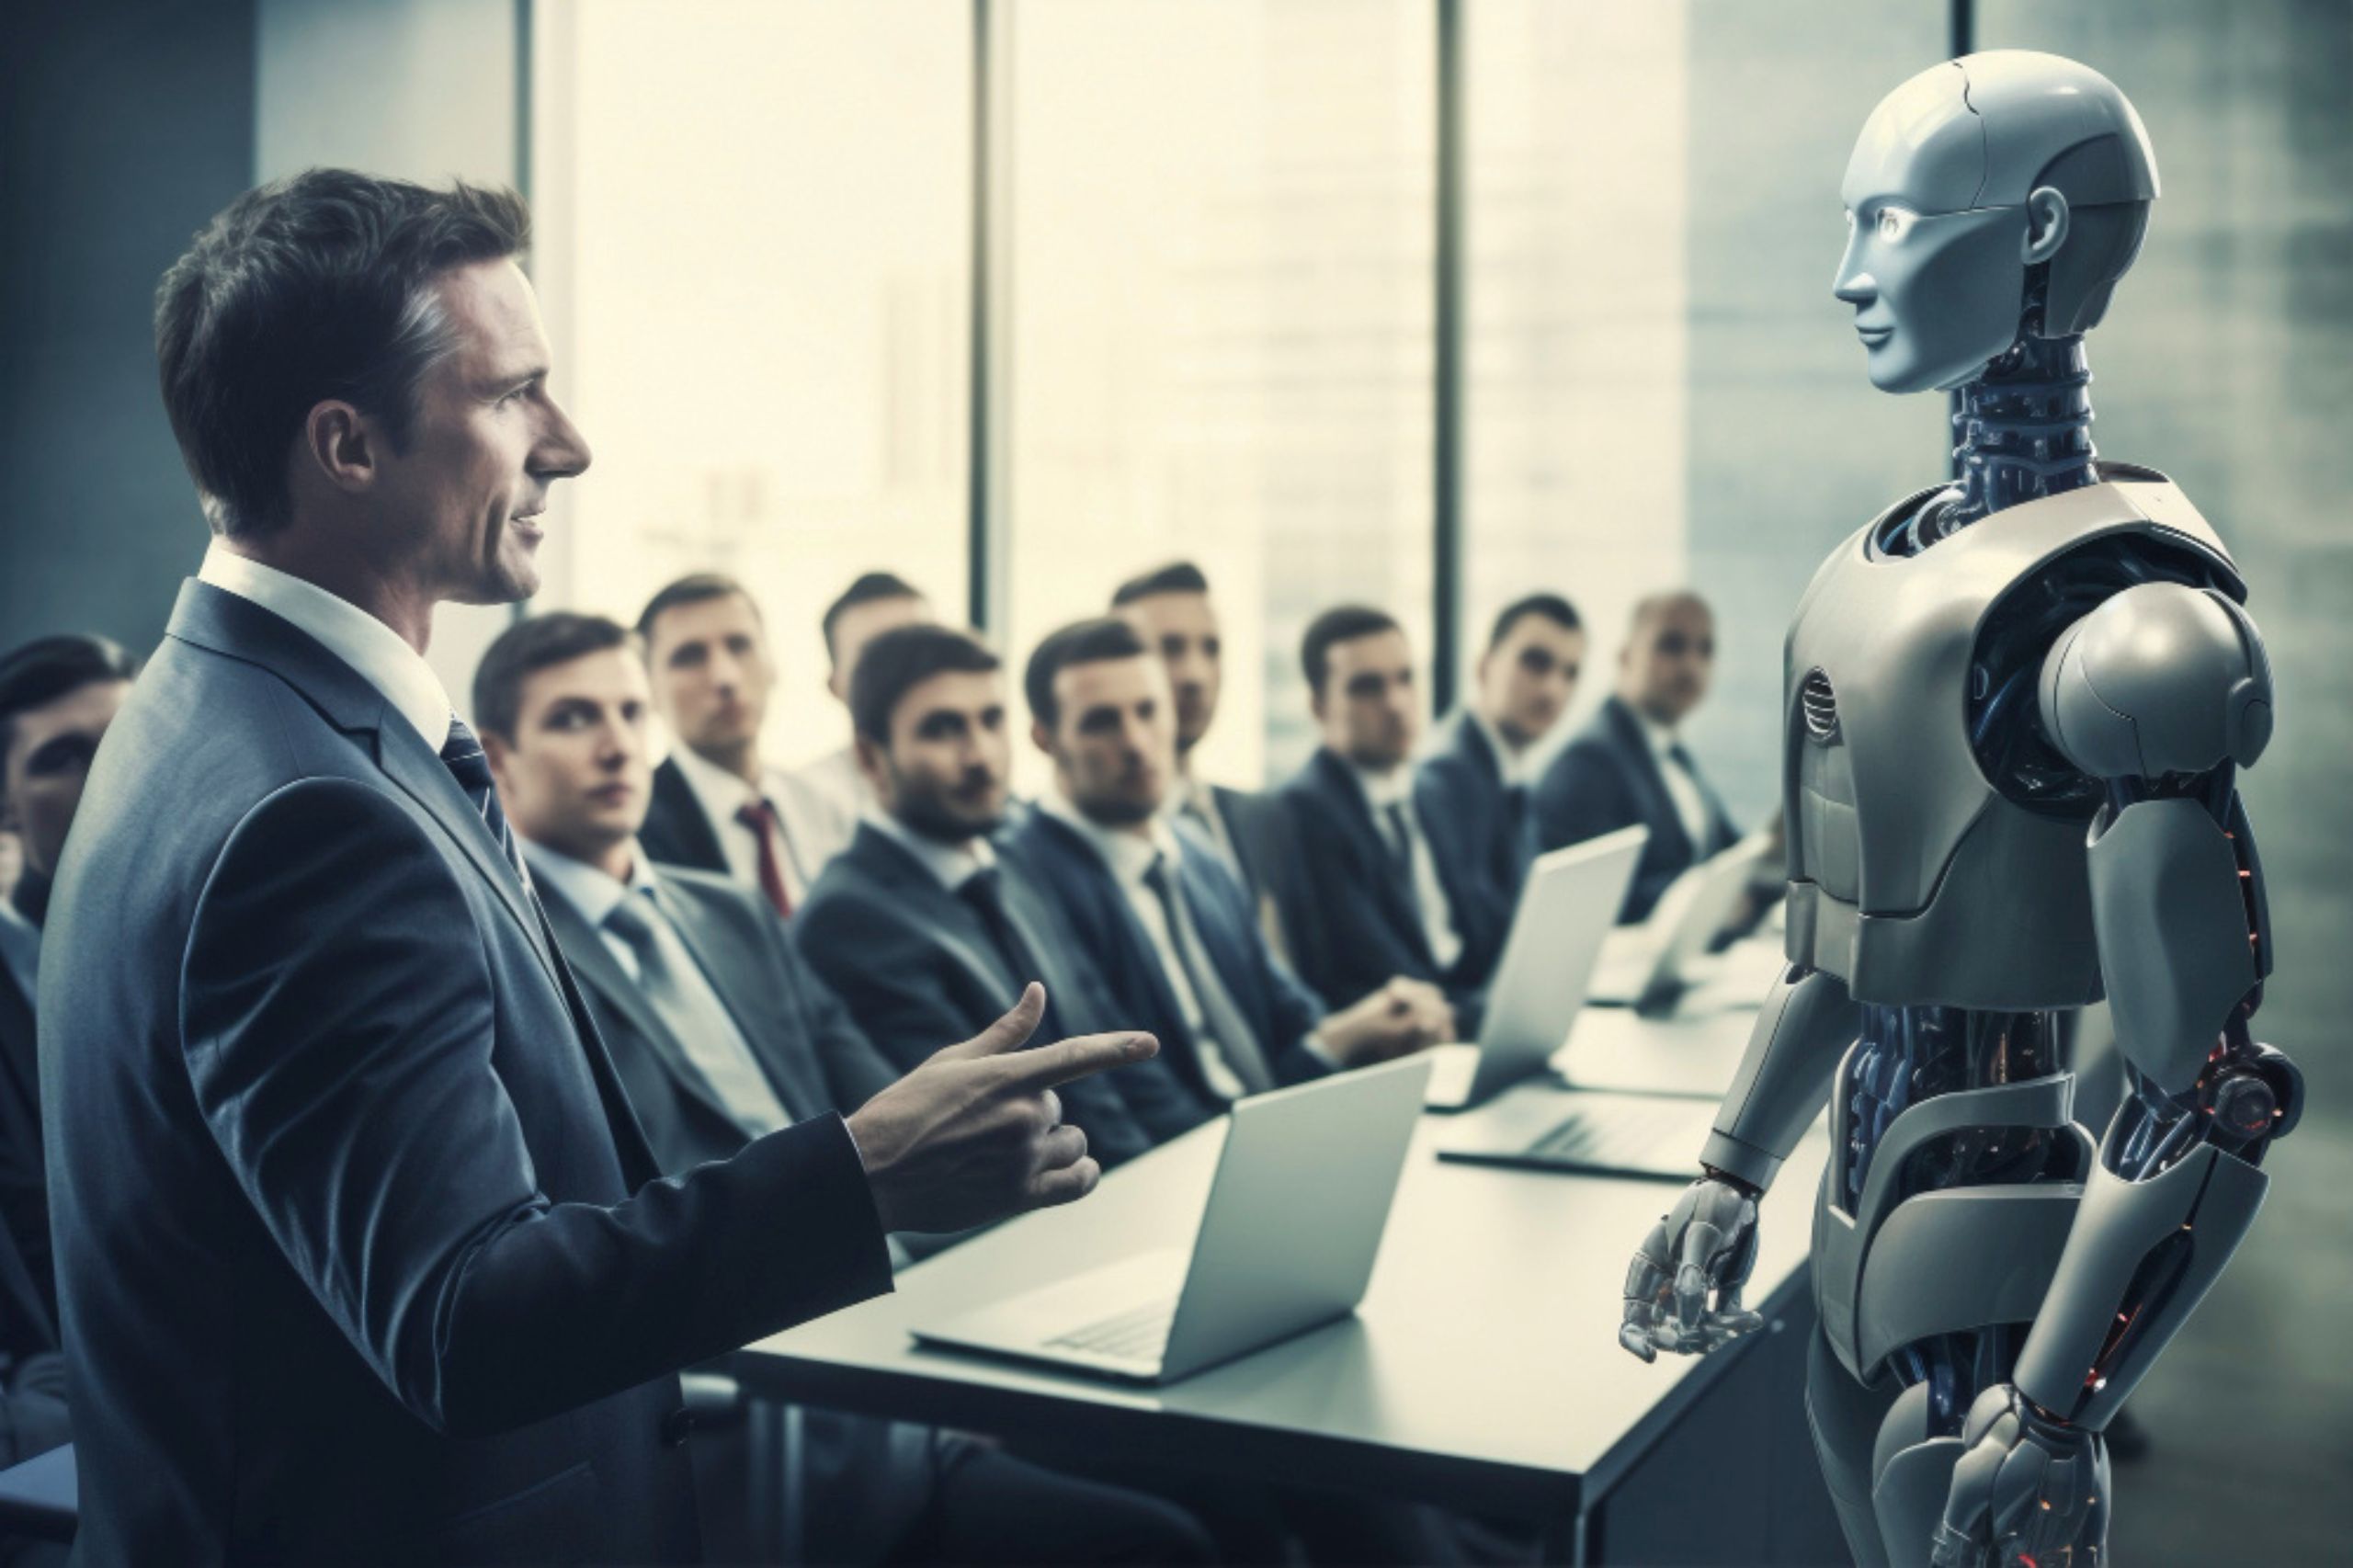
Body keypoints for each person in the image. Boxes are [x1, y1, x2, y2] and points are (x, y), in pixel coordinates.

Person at [41, 169, 1154, 1563]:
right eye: (513, 395)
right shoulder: (308, 817)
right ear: (345, 446)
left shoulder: (211, 711)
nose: (568, 444)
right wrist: (859, 1175)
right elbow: (463, 1316)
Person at [477, 611, 1213, 1567]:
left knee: (1172, 1535)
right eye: (574, 718)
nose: (617, 741)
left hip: (888, 1366)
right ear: (498, 756)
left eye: (630, 710)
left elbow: (889, 1102)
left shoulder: (730, 912)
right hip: (733, 1413)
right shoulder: (509, 953)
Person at [1012, 617, 1450, 1130]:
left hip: (1275, 1131)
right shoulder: (1028, 886)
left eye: (1149, 711)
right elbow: (1132, 1103)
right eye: (1101, 722)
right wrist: (1333, 1045)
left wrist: (1378, 1022)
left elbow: (1291, 1011)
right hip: (1178, 1163)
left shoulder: (1196, 852)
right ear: (1045, 738)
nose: (1135, 741)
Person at [794, 623, 1198, 1166]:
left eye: (991, 721)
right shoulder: (848, 918)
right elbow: (984, 1136)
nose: (980, 754)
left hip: (1134, 1181)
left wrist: (1190, 1163)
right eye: (942, 729)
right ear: (869, 759)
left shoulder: (1014, 861)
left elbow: (1121, 1063)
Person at [1275, 607, 1505, 1032]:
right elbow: (1376, 972)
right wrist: (1490, 1015)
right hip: (1404, 1039)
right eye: (1367, 688)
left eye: (1406, 679)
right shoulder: (1303, 813)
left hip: (1470, 1018)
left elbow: (1483, 927)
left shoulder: (1436, 792)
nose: (1396, 703)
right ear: (1319, 707)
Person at [0, 633, 138, 1329]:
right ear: (7, 806)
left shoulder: (221, 948)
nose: (105, 776)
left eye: (126, 740)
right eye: (61, 759)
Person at [633, 573, 838, 914]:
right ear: (648, 689)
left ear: (773, 664)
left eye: (740, 646)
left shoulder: (824, 807)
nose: (725, 677)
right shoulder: (633, 828)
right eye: (690, 656)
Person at [1108, 562, 1293, 935]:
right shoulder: (1094, 840)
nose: (1196, 674)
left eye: (1211, 649)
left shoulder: (1265, 818)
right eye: (1169, 648)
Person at [1532, 590, 1738, 922]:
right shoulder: (1588, 761)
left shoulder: (1676, 753)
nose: (1691, 665)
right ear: (1626, 656)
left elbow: (1731, 850)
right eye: (1672, 645)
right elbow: (1593, 898)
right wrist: (1711, 902)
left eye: (1705, 649)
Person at [1417, 593, 1586, 946]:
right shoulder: (1448, 773)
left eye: (1570, 673)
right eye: (1535, 663)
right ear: (1484, 666)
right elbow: (1481, 933)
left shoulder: (1505, 768)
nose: (1553, 689)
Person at [786, 571, 934, 856]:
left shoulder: (993, 796)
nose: (906, 673)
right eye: (876, 659)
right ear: (836, 686)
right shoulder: (801, 809)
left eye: (922, 651)